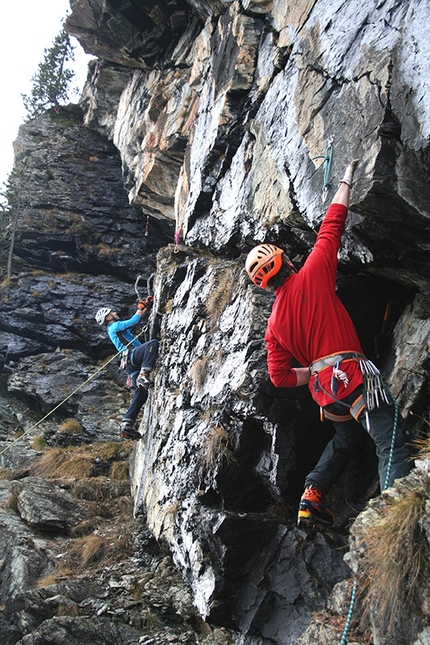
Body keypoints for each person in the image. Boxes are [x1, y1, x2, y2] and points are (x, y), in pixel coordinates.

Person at [245, 161, 412, 528]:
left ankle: (313, 494)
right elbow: (331, 225)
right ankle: (396, 520)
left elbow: (279, 377)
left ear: (264, 285)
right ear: (285, 261)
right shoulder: (313, 273)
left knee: (347, 439)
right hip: (352, 378)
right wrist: (346, 180)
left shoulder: (273, 326)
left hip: (327, 394)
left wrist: (313, 371)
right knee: (391, 437)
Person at [95, 298, 158, 440]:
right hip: (131, 355)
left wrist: (146, 307)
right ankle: (144, 373)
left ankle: (126, 423)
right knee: (152, 344)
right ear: (108, 317)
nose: (115, 312)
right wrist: (139, 308)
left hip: (130, 365)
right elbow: (134, 321)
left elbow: (136, 320)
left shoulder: (116, 329)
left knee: (141, 393)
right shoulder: (114, 326)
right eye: (112, 312)